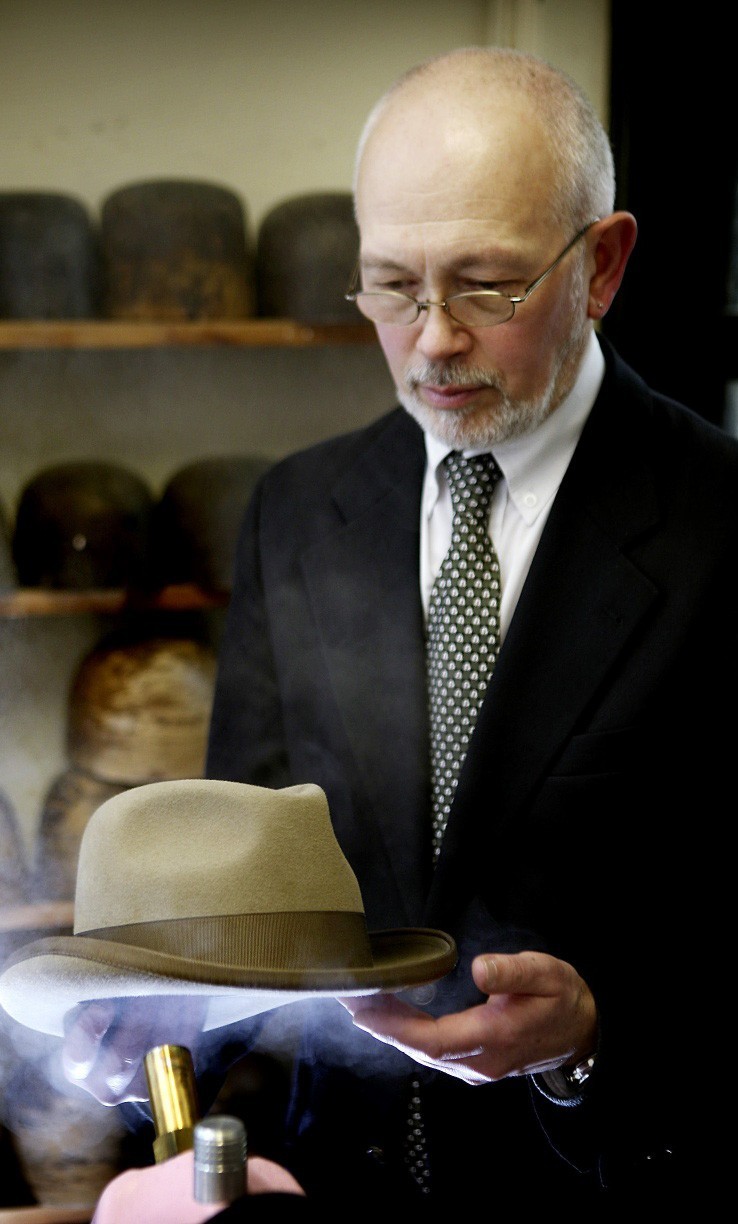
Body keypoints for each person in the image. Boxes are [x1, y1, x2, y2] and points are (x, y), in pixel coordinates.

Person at [60, 45, 734, 1213]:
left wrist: (590, 1043)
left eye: (487, 285)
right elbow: (255, 896)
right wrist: (179, 1035)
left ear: (604, 263)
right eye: (390, 285)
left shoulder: (721, 527)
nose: (431, 341)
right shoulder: (296, 514)